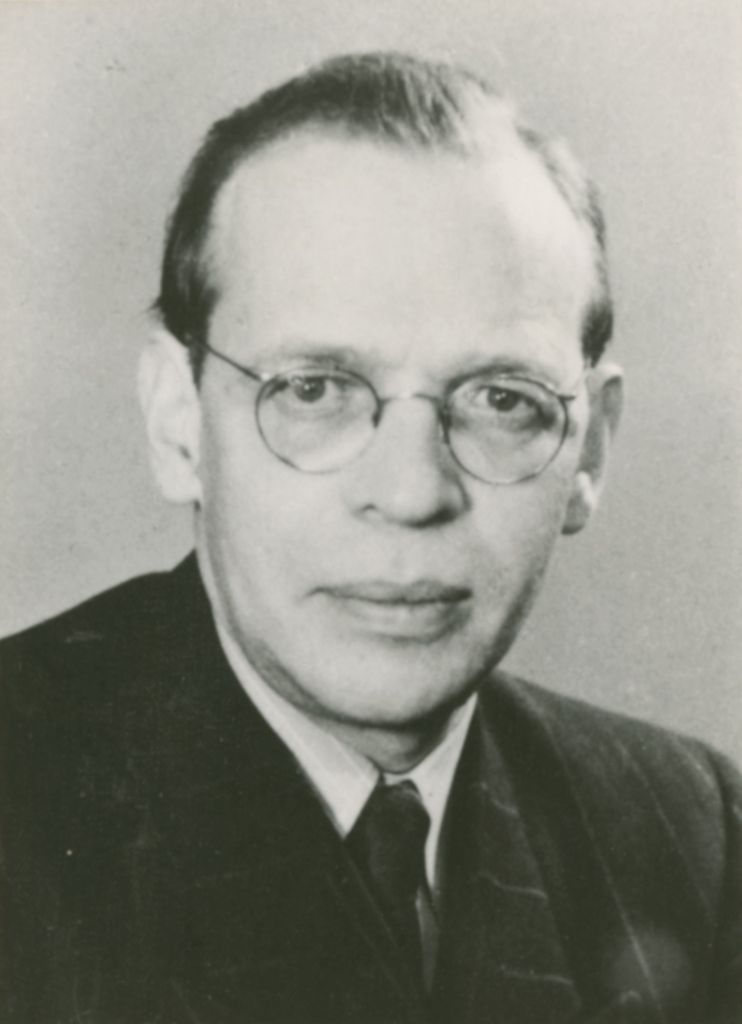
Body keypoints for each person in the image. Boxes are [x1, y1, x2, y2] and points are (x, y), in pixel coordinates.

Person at [0, 51, 739, 1024]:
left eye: (500, 400)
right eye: (314, 390)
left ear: (590, 447)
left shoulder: (693, 832)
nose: (410, 491)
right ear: (178, 421)